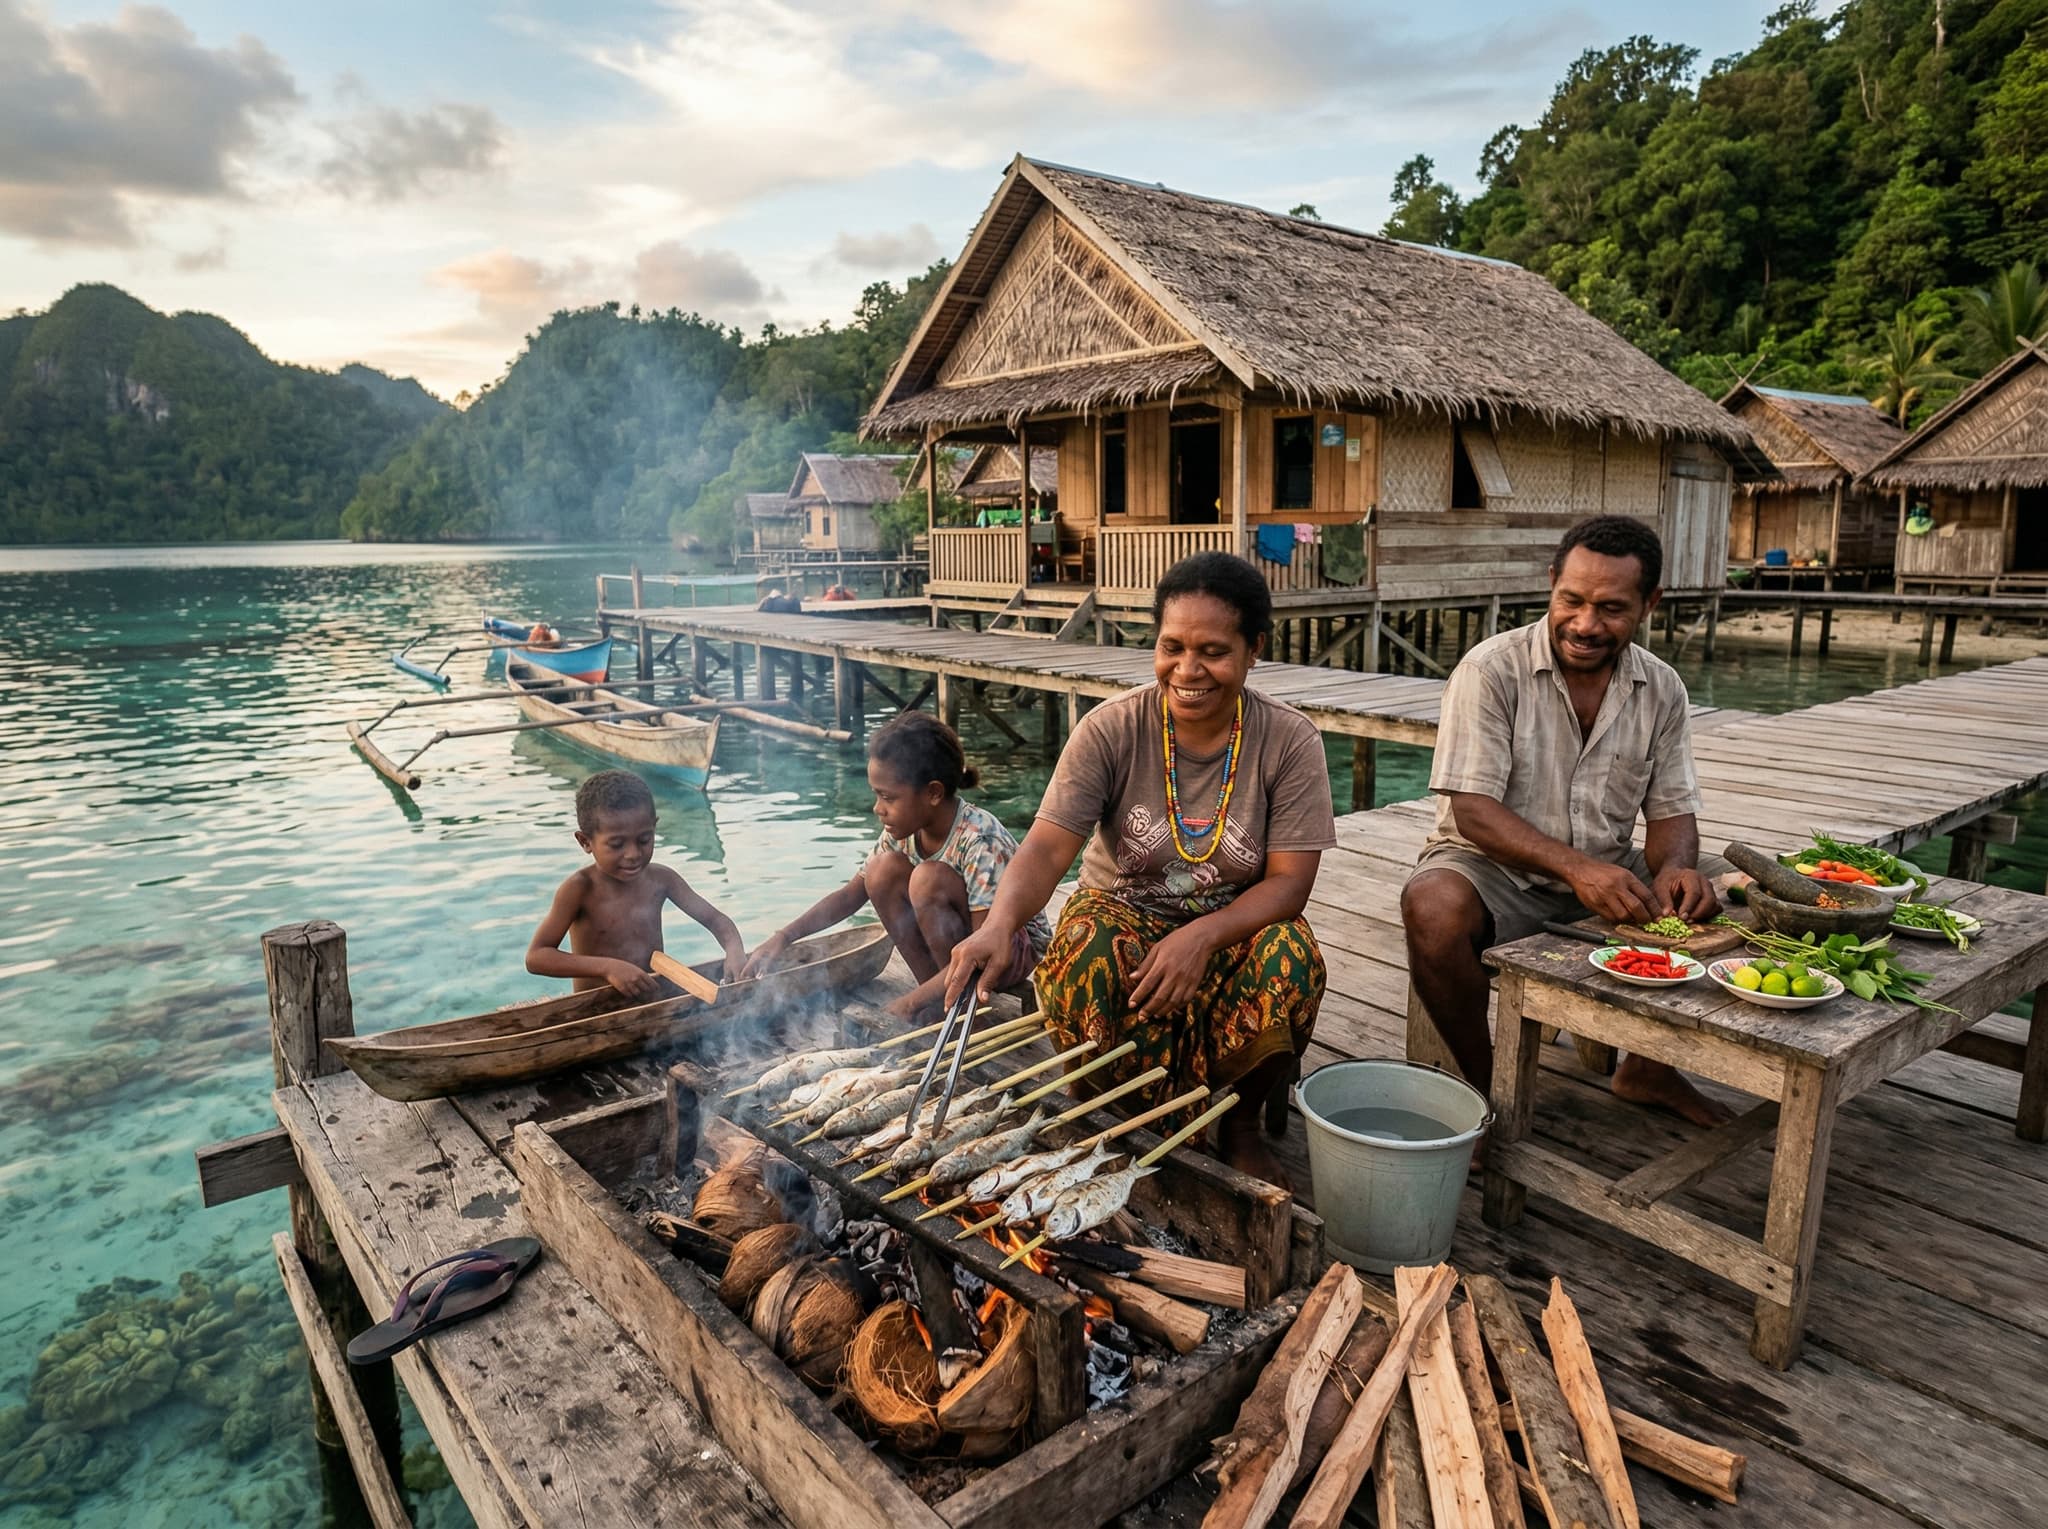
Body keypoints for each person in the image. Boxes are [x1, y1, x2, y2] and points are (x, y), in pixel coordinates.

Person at [941, 552, 1334, 1183]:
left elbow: (1290, 883)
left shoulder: (1289, 741)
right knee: (1082, 947)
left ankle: (1240, 1123)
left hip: (1230, 926)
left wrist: (1199, 937)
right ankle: (1107, 1105)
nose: (1188, 670)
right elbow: (1046, 849)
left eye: (1213, 651)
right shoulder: (1110, 729)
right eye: (1172, 647)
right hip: (1124, 914)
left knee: (1291, 956)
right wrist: (998, 926)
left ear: (1254, 649)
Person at [1400, 515, 1733, 1127]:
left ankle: (1649, 1066)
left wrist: (1676, 869)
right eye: (1571, 600)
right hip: (1492, 869)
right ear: (1551, 581)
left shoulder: (1662, 688)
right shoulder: (1489, 671)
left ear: (1650, 604)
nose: (1584, 624)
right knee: (1433, 906)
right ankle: (1480, 1092)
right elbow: (1473, 812)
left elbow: (1672, 811)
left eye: (1611, 608)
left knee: (1733, 890)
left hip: (1608, 868)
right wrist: (1579, 870)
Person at [743, 712, 1050, 1019]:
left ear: (933, 793)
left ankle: (959, 1006)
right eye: (876, 795)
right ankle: (937, 999)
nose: (878, 809)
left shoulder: (979, 839)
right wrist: (783, 937)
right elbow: (850, 895)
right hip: (961, 950)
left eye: (887, 797)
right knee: (880, 871)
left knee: (927, 879)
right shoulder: (904, 831)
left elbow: (984, 948)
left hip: (1009, 952)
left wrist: (908, 1003)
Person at [527, 769, 747, 997]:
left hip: (655, 1002)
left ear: (654, 828)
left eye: (644, 840)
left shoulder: (662, 879)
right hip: (597, 1009)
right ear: (585, 842)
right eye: (616, 844)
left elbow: (716, 920)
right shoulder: (580, 888)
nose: (633, 854)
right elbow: (537, 956)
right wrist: (608, 968)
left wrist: (734, 949)